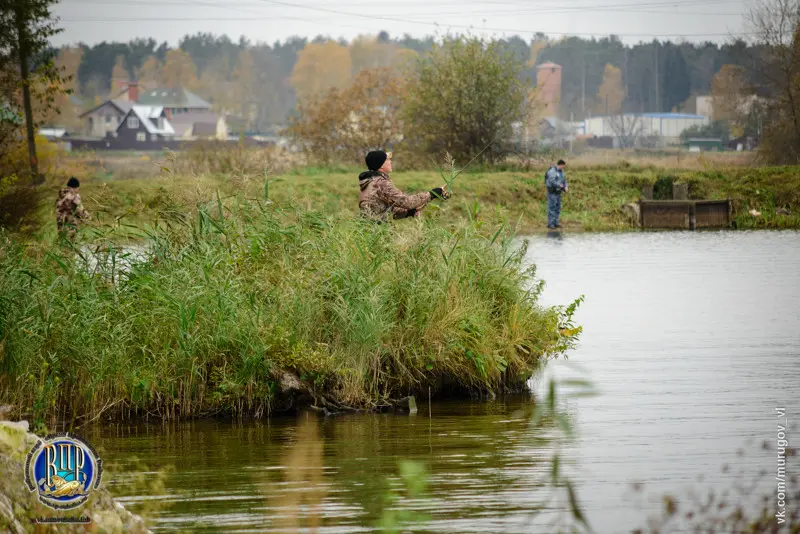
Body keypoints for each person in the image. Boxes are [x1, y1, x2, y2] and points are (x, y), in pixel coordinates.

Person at [358, 150, 450, 222]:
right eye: (387, 160)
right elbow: (407, 202)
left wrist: (410, 212)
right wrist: (433, 193)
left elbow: (388, 209)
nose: (390, 161)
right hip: (377, 231)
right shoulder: (381, 183)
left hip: (370, 229)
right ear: (381, 165)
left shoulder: (371, 181)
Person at [544, 159, 568, 229]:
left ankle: (556, 223)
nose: (563, 168)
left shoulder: (562, 172)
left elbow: (564, 180)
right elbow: (552, 181)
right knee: (552, 207)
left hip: (558, 192)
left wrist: (566, 186)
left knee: (558, 207)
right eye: (563, 166)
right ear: (560, 165)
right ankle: (550, 224)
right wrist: (559, 185)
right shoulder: (552, 171)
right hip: (552, 192)